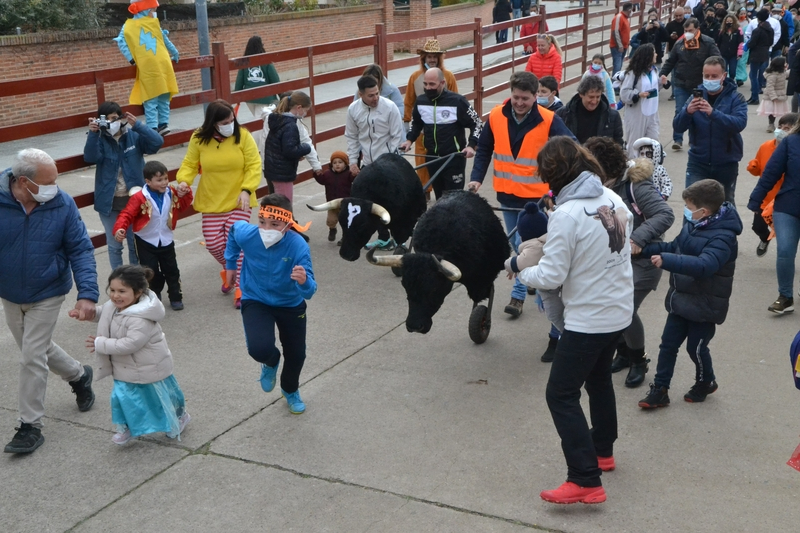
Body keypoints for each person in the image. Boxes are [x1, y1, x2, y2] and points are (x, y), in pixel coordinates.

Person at [517, 137, 633, 505]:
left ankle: (585, 478)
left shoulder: (566, 215)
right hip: (618, 311)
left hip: (588, 319)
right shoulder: (612, 199)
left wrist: (521, 273)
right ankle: (603, 452)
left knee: (560, 394)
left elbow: (550, 276)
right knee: (598, 381)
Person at [0, 148, 98, 454]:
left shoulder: (62, 203)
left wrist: (87, 294)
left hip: (49, 290)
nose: (54, 187)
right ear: (22, 181)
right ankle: (79, 375)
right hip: (11, 293)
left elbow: (80, 249)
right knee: (37, 347)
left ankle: (30, 426)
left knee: (31, 356)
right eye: (47, 182)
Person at [468, 71, 575, 332]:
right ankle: (532, 288)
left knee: (523, 245)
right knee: (523, 247)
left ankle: (520, 295)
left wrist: (556, 186)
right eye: (515, 97)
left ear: (535, 96)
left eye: (525, 99)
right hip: (506, 196)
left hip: (536, 201)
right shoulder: (495, 115)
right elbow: (484, 149)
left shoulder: (549, 120)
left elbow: (571, 147)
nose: (519, 103)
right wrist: (476, 179)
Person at [638, 180, 741, 408]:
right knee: (667, 345)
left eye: (688, 206)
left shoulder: (723, 237)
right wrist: (643, 251)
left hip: (705, 305)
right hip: (681, 298)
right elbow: (674, 247)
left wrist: (668, 261)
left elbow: (705, 265)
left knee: (695, 348)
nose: (686, 210)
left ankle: (706, 381)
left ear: (703, 211)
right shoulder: (694, 224)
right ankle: (660, 388)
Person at [584, 137, 675, 388]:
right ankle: (624, 353)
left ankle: (638, 360)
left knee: (624, 309)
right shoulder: (600, 186)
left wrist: (637, 238)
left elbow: (665, 214)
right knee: (615, 308)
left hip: (643, 260)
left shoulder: (636, 186)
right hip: (615, 259)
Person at [74, 265, 190, 445]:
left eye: (122, 291)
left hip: (150, 369)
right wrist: (87, 315)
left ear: (138, 293)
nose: (115, 295)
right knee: (124, 400)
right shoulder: (113, 306)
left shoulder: (141, 318)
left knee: (158, 399)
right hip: (126, 369)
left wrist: (100, 343)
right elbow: (103, 313)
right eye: (112, 290)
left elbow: (130, 344)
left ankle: (179, 417)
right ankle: (128, 426)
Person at [225, 194, 316, 415]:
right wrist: (230, 264)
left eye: (274, 224)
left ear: (287, 223)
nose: (267, 229)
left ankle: (290, 390)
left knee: (296, 354)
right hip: (256, 299)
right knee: (259, 349)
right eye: (262, 222)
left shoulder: (297, 246)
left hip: (290, 303)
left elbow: (310, 291)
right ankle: (271, 362)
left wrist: (304, 281)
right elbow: (234, 230)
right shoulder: (249, 234)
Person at [176, 99, 261, 310]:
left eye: (232, 119)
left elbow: (254, 164)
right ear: (213, 122)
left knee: (238, 244)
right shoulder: (198, 138)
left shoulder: (243, 136)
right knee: (214, 244)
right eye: (225, 121)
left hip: (238, 200)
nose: (230, 124)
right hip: (211, 199)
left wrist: (246, 189)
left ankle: (242, 289)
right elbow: (189, 163)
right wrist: (184, 182)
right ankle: (229, 269)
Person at [83, 100, 164, 270]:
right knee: (114, 245)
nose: (112, 123)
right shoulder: (100, 139)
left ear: (121, 118)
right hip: (109, 202)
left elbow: (157, 142)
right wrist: (93, 134)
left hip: (134, 201)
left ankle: (135, 280)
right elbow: (90, 157)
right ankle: (118, 280)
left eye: (115, 118)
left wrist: (139, 126)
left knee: (134, 243)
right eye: (108, 119)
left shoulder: (132, 136)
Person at [112, 160, 194, 311]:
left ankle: (176, 296)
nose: (164, 183)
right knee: (150, 272)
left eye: (166, 179)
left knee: (172, 270)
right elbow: (127, 214)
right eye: (159, 180)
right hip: (145, 240)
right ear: (148, 181)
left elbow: (182, 206)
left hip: (166, 239)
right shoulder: (139, 197)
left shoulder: (172, 192)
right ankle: (154, 298)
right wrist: (120, 228)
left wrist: (187, 193)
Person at [674, 56, 748, 204]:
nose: (710, 79)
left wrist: (713, 113)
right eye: (706, 76)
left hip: (726, 163)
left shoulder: (736, 98)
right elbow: (678, 127)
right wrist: (687, 112)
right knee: (692, 204)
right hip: (698, 162)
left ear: (723, 76)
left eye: (714, 76)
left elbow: (739, 124)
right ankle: (691, 228)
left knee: (725, 204)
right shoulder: (694, 97)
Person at [400, 68, 482, 200]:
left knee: (454, 199)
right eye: (425, 84)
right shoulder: (421, 101)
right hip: (432, 158)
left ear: (442, 83)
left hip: (453, 158)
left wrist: (471, 145)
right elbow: (416, 123)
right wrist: (409, 140)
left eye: (432, 84)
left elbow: (477, 123)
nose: (428, 87)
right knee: (439, 198)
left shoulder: (458, 102)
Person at [345, 76, 404, 250]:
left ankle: (399, 238)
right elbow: (352, 137)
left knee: (391, 203)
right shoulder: (353, 110)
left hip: (388, 164)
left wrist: (390, 161)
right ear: (360, 94)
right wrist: (353, 161)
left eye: (377, 93)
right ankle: (384, 238)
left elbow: (396, 136)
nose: (375, 98)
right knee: (371, 203)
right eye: (371, 95)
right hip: (367, 164)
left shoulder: (390, 107)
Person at [748, 117, 800, 314]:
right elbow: (771, 172)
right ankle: (785, 297)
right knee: (785, 251)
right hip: (788, 206)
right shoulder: (791, 141)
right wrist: (756, 200)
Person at [115, 0, 179, 134]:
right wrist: (174, 52)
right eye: (152, 10)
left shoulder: (129, 25)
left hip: (149, 66)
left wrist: (131, 59)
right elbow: (164, 40)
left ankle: (155, 127)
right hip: (162, 63)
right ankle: (160, 125)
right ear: (144, 9)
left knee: (153, 96)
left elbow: (121, 42)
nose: (154, 13)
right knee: (161, 94)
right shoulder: (149, 24)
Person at [403, 40, 459, 190]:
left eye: (435, 56)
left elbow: (457, 101)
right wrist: (407, 123)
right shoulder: (415, 77)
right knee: (422, 163)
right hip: (422, 130)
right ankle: (424, 192)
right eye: (429, 56)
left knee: (443, 162)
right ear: (424, 58)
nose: (432, 60)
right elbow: (409, 101)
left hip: (444, 130)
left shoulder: (448, 77)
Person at [659, 17, 721, 151]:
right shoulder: (679, 43)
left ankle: (694, 139)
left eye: (690, 30)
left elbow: (717, 60)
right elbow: (671, 61)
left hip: (700, 85)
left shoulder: (708, 43)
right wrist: (663, 74)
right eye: (685, 30)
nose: (687, 33)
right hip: (681, 83)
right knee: (680, 111)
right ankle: (678, 139)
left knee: (698, 113)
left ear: (697, 29)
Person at [746, 112, 799, 258]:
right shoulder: (765, 146)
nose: (781, 131)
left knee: (786, 238)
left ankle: (786, 255)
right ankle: (764, 239)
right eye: (780, 127)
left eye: (787, 128)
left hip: (783, 200)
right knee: (758, 227)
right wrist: (753, 166)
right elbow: (763, 173)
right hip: (766, 198)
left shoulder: (794, 149)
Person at [263, 91, 313, 204]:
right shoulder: (290, 126)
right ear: (299, 107)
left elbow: (282, 147)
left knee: (278, 203)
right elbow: (289, 150)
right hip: (282, 173)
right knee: (284, 205)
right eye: (305, 110)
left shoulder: (278, 120)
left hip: (274, 169)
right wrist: (305, 148)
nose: (305, 113)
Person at [620, 44, 662, 159]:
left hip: (652, 114)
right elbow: (624, 94)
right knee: (635, 146)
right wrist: (638, 95)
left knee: (653, 145)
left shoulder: (654, 70)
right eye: (654, 52)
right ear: (648, 56)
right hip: (636, 116)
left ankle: (651, 172)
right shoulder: (633, 73)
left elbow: (655, 88)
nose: (656, 54)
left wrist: (661, 83)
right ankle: (632, 172)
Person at [556, 75, 624, 145]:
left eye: (598, 97)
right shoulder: (563, 115)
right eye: (591, 97)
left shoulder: (613, 116)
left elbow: (619, 145)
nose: (594, 101)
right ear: (581, 94)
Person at [313, 151, 356, 244]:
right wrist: (317, 174)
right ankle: (332, 229)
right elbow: (322, 180)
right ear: (331, 164)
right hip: (331, 203)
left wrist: (354, 174)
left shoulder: (348, 174)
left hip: (345, 203)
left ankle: (345, 237)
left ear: (345, 164)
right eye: (334, 163)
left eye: (340, 162)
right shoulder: (328, 174)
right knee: (330, 220)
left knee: (345, 221)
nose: (337, 165)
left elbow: (354, 179)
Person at [234, 36, 280, 117]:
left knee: (258, 119)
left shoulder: (244, 61)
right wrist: (282, 95)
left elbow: (239, 81)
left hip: (249, 97)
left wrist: (237, 97)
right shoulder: (266, 61)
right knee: (263, 122)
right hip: (265, 97)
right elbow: (275, 80)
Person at [746, 9, 775, 105]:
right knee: (760, 74)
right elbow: (771, 42)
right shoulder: (770, 29)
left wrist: (748, 45)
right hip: (765, 53)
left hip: (756, 54)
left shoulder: (757, 30)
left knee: (753, 75)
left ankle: (755, 96)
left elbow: (752, 43)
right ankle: (755, 95)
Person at [758, 56, 790, 132]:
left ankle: (781, 125)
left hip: (780, 95)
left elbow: (788, 73)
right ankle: (771, 124)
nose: (786, 64)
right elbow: (770, 87)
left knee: (780, 111)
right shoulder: (772, 76)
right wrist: (774, 97)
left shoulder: (782, 73)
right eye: (784, 63)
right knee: (772, 112)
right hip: (772, 97)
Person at [716, 14, 744, 81]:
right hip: (723, 54)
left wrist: (740, 53)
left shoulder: (738, 31)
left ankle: (731, 81)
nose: (729, 22)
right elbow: (718, 42)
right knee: (724, 70)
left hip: (733, 54)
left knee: (732, 70)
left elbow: (741, 43)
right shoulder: (722, 31)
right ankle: (725, 82)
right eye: (727, 21)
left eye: (731, 21)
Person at [611, 3, 634, 76]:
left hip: (623, 46)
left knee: (619, 66)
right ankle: (614, 84)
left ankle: (615, 83)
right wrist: (619, 46)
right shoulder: (619, 17)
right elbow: (615, 32)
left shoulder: (625, 18)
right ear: (629, 10)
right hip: (617, 47)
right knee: (617, 67)